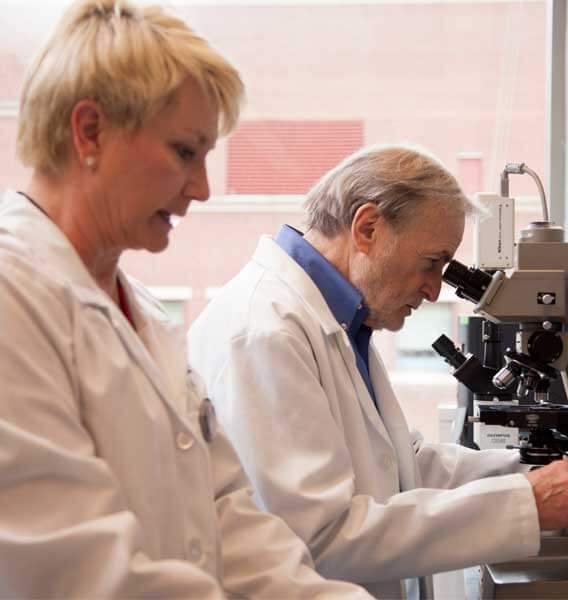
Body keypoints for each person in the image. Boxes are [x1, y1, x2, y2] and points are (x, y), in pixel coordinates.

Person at [0, 1, 376, 598]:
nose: (201, 189)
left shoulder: (143, 313)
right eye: (184, 152)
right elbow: (74, 570)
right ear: (89, 131)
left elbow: (225, 515)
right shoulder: (12, 299)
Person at [188, 144, 568, 599]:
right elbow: (319, 537)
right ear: (368, 227)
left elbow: (398, 464)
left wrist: (548, 471)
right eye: (432, 263)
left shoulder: (341, 321)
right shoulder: (265, 331)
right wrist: (524, 504)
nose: (433, 291)